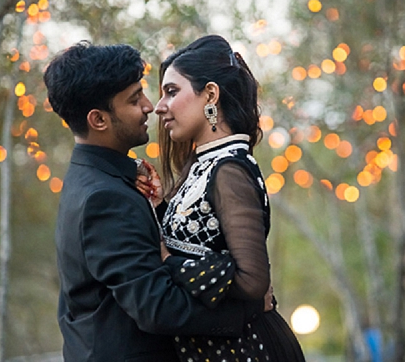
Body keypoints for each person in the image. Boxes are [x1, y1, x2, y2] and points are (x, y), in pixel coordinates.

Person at [43, 41, 267, 362]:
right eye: (135, 100)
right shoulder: (105, 197)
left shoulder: (93, 180)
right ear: (99, 120)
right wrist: (250, 311)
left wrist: (160, 208)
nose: (151, 106)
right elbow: (158, 308)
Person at [152, 34, 306, 361]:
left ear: (210, 94)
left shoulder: (229, 170)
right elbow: (205, 241)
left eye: (171, 91)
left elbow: (252, 281)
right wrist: (157, 205)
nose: (159, 106)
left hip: (246, 349)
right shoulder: (204, 164)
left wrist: (169, 264)